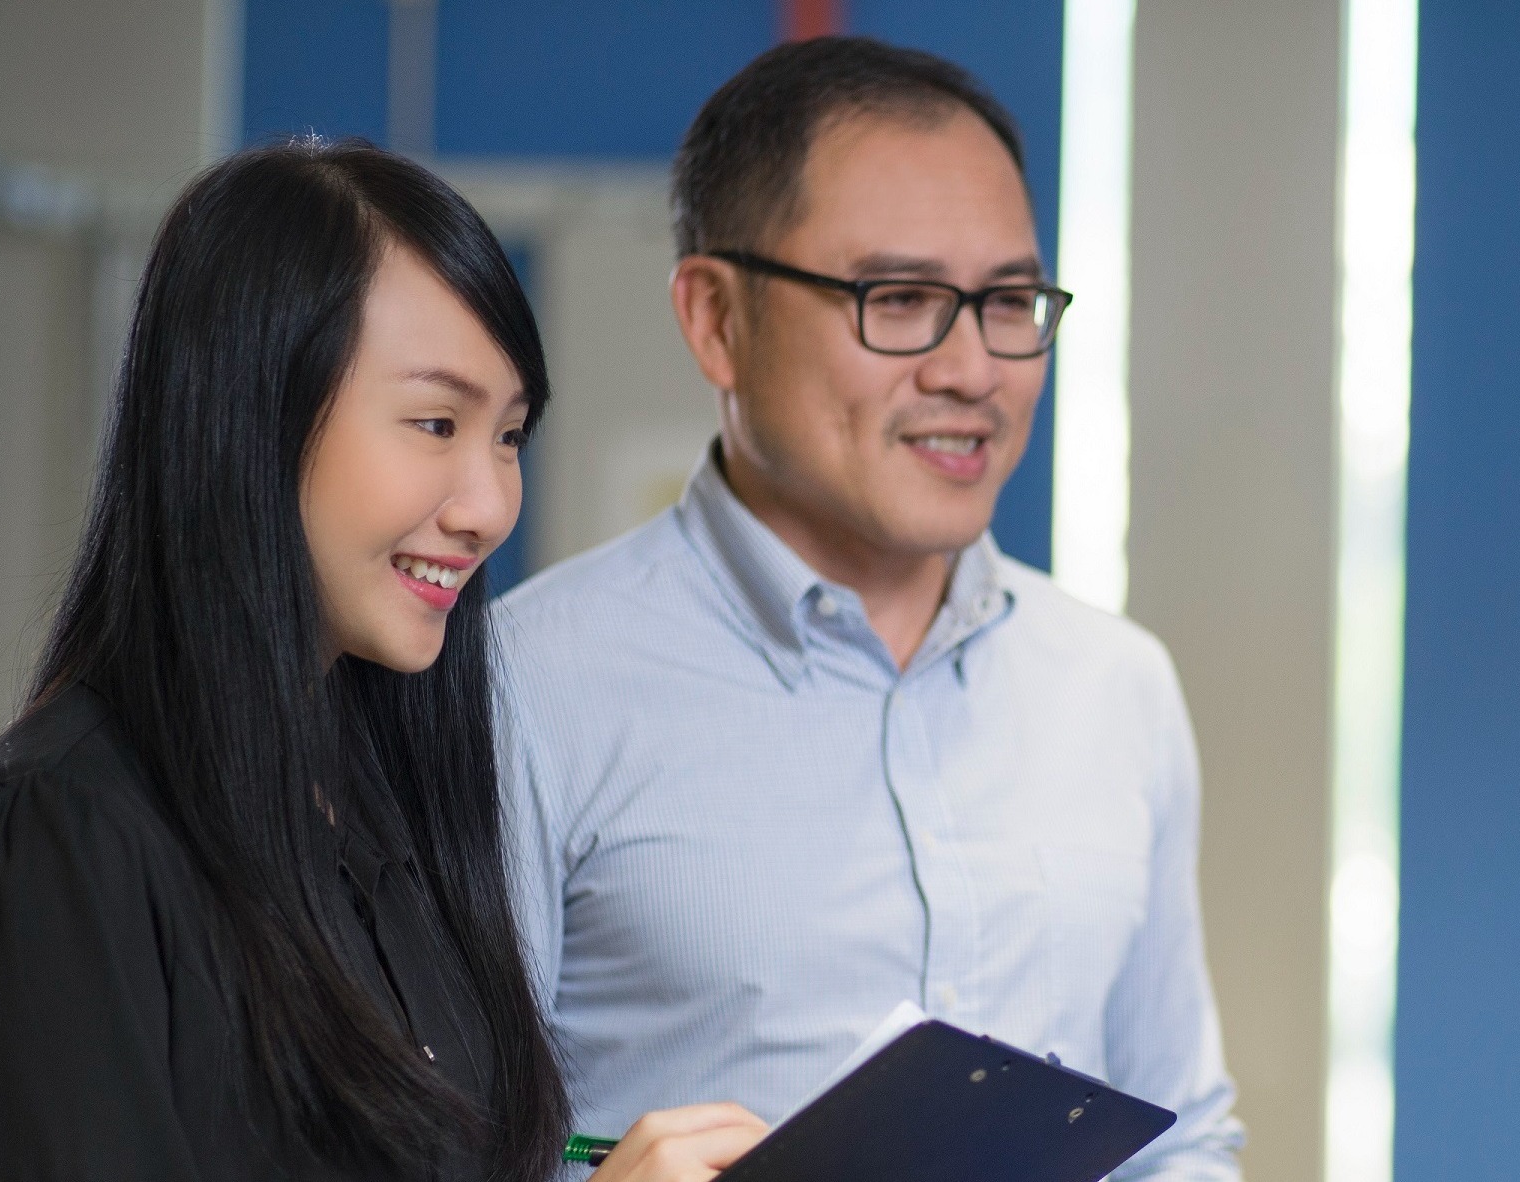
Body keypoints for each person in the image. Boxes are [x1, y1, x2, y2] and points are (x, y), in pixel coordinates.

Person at [0, 139, 764, 1182]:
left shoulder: (383, 811)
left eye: (508, 437)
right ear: (252, 419)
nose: (489, 507)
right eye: (435, 423)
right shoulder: (62, 838)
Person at [494, 36, 1245, 1178]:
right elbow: (420, 1146)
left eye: (1008, 301)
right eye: (898, 299)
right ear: (716, 319)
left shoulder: (1115, 686)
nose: (972, 370)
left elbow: (1180, 1137)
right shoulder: (524, 687)